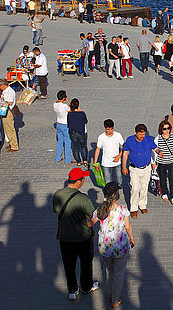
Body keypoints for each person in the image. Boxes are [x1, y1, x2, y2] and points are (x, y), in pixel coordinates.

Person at [53, 168, 100, 301]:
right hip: (82, 237)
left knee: (69, 265)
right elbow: (91, 218)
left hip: (64, 237)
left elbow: (56, 210)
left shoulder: (58, 194)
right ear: (79, 181)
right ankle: (86, 287)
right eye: (83, 179)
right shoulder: (82, 198)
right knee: (86, 263)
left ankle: (72, 290)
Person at [88, 182, 134, 308]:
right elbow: (128, 227)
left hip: (105, 247)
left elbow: (89, 223)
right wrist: (132, 239)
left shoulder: (100, 209)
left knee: (109, 270)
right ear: (116, 196)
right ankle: (115, 299)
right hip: (120, 247)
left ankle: (109, 293)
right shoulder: (122, 210)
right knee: (119, 274)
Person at [122, 124, 162, 217]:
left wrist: (159, 152)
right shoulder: (129, 140)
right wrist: (124, 166)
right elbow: (125, 154)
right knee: (135, 188)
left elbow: (155, 148)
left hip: (146, 168)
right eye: (140, 134)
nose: (142, 136)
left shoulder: (148, 139)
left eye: (143, 134)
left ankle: (143, 205)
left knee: (144, 188)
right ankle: (134, 208)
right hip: (134, 169)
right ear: (135, 133)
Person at [155, 120, 173, 204]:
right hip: (161, 162)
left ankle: (172, 196)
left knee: (172, 178)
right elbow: (153, 151)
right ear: (161, 129)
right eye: (164, 129)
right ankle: (164, 193)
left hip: (171, 161)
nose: (166, 130)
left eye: (168, 128)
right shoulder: (158, 138)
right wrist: (153, 162)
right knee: (163, 178)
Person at [94, 119, 124, 185]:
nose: (110, 131)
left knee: (119, 178)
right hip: (106, 162)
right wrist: (95, 163)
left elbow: (123, 146)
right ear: (104, 128)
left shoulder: (118, 135)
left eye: (111, 129)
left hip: (117, 162)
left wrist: (119, 156)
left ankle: (118, 190)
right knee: (108, 180)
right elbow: (98, 149)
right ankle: (109, 193)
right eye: (108, 129)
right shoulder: (101, 137)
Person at [0, 79, 18, 152]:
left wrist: (2, 102)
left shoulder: (10, 91)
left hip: (8, 111)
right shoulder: (5, 91)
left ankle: (14, 145)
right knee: (6, 129)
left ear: (3, 85)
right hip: (4, 111)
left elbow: (10, 102)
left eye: (0, 86)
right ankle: (11, 143)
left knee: (10, 129)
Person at [54, 90, 73, 165]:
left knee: (60, 141)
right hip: (65, 124)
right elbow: (71, 110)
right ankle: (67, 160)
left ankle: (58, 158)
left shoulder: (55, 104)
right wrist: (68, 101)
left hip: (58, 123)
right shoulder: (64, 106)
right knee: (67, 142)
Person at [67, 99, 88, 167]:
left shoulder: (69, 114)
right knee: (83, 147)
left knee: (75, 148)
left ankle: (78, 161)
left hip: (73, 133)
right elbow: (86, 121)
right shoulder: (82, 113)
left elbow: (68, 123)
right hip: (82, 132)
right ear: (78, 105)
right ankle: (85, 160)